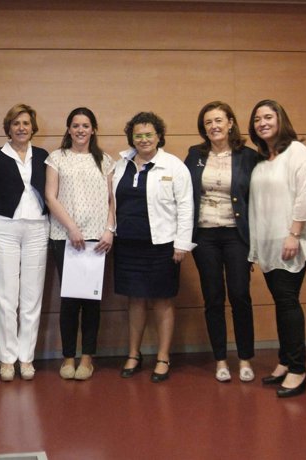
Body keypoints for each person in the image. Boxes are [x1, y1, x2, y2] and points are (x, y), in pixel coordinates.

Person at [248, 99, 306, 398]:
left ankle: (298, 369)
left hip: (291, 240)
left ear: (281, 119)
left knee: (288, 302)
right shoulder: (263, 160)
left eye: (268, 117)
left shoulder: (297, 151)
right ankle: (284, 362)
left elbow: (305, 195)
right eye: (257, 119)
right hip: (269, 244)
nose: (262, 123)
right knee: (282, 303)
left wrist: (294, 233)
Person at [113, 112, 194, 383]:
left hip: (162, 245)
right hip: (127, 244)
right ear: (131, 138)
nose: (144, 139)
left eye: (149, 134)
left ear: (159, 136)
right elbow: (111, 202)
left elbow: (186, 206)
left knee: (162, 300)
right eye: (138, 135)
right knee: (134, 300)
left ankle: (162, 357)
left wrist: (182, 243)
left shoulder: (173, 166)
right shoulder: (120, 164)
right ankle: (134, 355)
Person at [185, 101, 258, 383]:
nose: (213, 127)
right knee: (213, 297)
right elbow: (182, 192)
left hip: (236, 235)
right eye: (207, 123)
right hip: (205, 236)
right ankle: (220, 360)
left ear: (230, 123)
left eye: (218, 121)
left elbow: (257, 197)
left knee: (240, 296)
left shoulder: (247, 156)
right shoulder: (195, 154)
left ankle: (246, 359)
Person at [0, 104, 49, 382]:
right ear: (8, 127)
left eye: (26, 123)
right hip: (4, 228)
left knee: (31, 298)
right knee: (7, 297)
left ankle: (26, 358)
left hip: (37, 229)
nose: (21, 127)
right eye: (16, 123)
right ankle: (7, 359)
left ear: (33, 127)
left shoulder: (43, 156)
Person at [45, 107, 115, 381]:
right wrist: (72, 227)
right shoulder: (56, 158)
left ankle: (88, 357)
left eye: (86, 125)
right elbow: (51, 197)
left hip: (97, 240)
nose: (81, 130)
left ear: (93, 129)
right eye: (75, 125)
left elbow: (112, 200)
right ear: (69, 129)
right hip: (65, 238)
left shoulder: (106, 161)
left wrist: (109, 230)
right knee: (70, 300)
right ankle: (68, 357)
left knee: (91, 300)